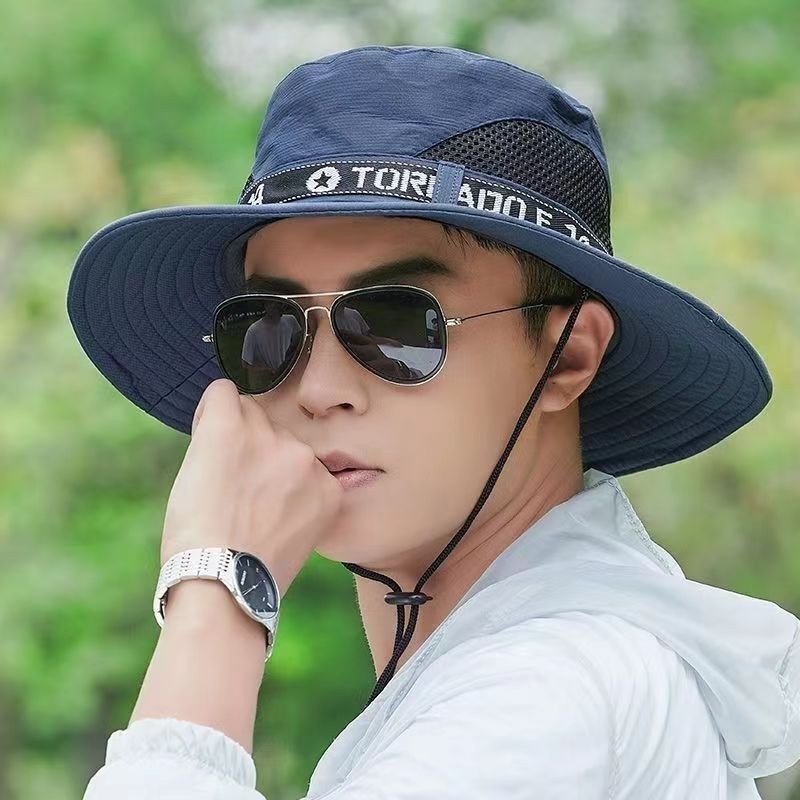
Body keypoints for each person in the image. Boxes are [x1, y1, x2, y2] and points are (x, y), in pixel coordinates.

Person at [67, 45, 800, 799]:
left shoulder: (547, 689)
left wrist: (218, 593)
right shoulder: (520, 673)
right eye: (270, 327)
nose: (318, 388)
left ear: (567, 356)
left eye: (395, 324)